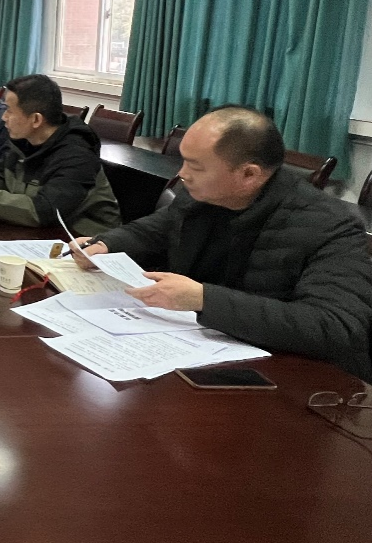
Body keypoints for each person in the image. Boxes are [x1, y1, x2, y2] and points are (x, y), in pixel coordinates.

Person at [75, 107, 372, 379]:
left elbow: (336, 326)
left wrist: (204, 299)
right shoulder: (204, 195)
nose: (181, 174)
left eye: (195, 166)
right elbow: (161, 227)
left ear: (249, 174)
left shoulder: (331, 227)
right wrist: (107, 243)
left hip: (290, 376)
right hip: (201, 349)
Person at [0, 73, 121, 235]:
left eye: (9, 111)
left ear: (36, 120)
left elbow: (43, 210)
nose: (4, 117)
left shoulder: (76, 155)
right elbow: (0, 175)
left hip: (84, 243)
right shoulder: (26, 142)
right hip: (40, 234)